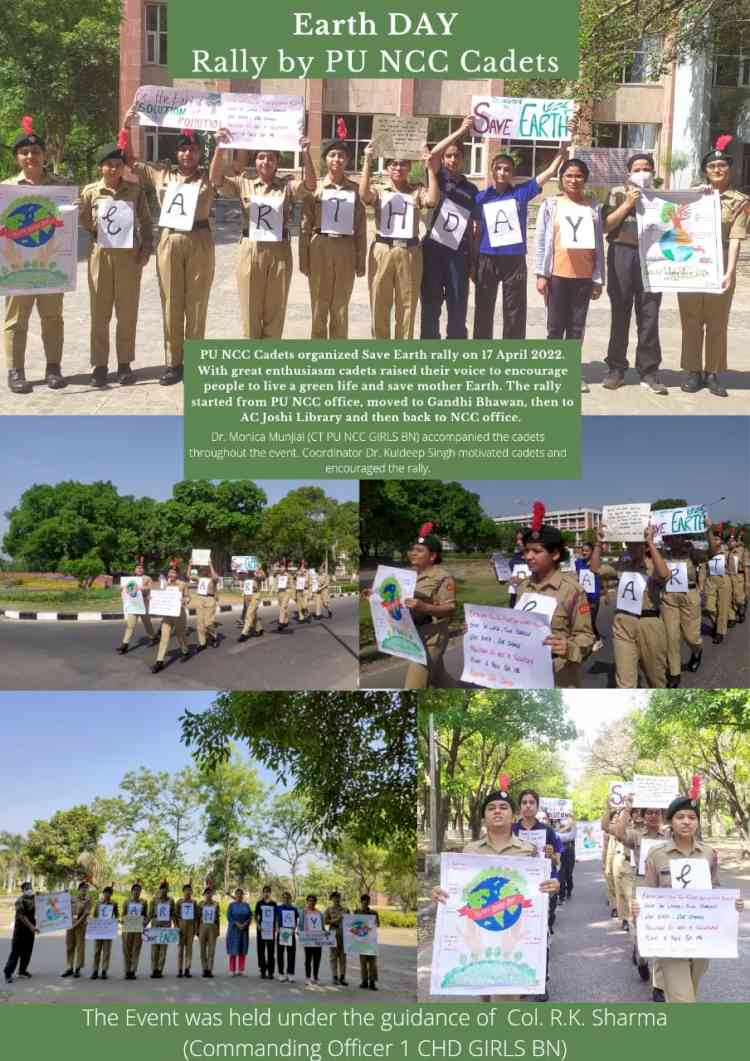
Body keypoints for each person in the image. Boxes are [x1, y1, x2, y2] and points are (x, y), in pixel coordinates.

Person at [432, 780, 560, 1003]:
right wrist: (441, 893)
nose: (497, 811)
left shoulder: (529, 851)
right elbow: (462, 892)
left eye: (503, 807)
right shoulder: (469, 851)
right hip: (481, 933)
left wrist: (552, 887)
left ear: (513, 815)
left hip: (512, 932)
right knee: (483, 993)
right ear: (484, 817)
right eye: (491, 808)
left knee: (505, 996)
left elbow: (536, 892)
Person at [631, 779, 745, 1003]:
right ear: (670, 822)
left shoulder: (709, 853)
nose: (686, 822)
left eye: (692, 817)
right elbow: (647, 892)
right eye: (680, 817)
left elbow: (715, 891)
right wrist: (638, 909)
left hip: (702, 939)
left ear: (698, 822)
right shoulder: (656, 854)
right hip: (669, 939)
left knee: (689, 992)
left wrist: (732, 906)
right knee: (685, 1001)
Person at [123, 110, 215, 385]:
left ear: (200, 153)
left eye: (193, 150)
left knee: (197, 303)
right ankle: (173, 362)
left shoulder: (207, 177)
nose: (188, 154)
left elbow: (223, 169)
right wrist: (127, 128)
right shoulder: (160, 172)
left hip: (199, 238)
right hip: (169, 239)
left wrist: (221, 142)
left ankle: (194, 360)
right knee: (171, 301)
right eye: (184, 149)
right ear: (177, 153)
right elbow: (130, 161)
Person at [210, 132, 316, 338]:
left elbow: (311, 185)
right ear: (255, 161)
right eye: (261, 157)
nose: (265, 161)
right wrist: (220, 148)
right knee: (250, 310)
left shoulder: (287, 185)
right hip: (251, 248)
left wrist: (306, 154)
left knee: (275, 312)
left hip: (279, 250)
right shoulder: (243, 183)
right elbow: (216, 180)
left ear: (277, 162)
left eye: (270, 157)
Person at [471, 144, 568, 339]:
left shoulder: (521, 192)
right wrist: (473, 263)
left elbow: (549, 172)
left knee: (514, 310)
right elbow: (476, 232)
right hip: (487, 259)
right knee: (483, 309)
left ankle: (512, 354)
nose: (502, 172)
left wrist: (562, 152)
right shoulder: (481, 197)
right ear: (492, 171)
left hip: (514, 260)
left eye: (507, 169)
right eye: (498, 168)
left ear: (512, 173)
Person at [678, 137, 749, 398]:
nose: (717, 170)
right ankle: (693, 371)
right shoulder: (692, 196)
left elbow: (737, 238)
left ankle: (714, 373)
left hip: (720, 264)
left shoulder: (740, 201)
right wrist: (691, 197)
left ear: (729, 169)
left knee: (717, 322)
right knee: (691, 320)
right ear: (705, 171)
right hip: (691, 264)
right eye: (712, 166)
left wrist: (730, 272)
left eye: (722, 165)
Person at [79, 136, 153, 387]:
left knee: (127, 313)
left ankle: (124, 364)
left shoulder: (135, 191)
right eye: (108, 164)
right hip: (101, 255)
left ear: (123, 167)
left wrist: (146, 249)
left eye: (118, 164)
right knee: (100, 314)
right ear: (101, 166)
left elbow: (146, 222)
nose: (113, 168)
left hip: (128, 257)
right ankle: (100, 365)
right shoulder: (90, 192)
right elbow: (84, 223)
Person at [3, 116, 69, 394]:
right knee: (16, 320)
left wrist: (72, 208)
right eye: (25, 152)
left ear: (44, 155)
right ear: (18, 157)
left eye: (36, 152)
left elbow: (70, 224)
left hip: (51, 263)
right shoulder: (5, 190)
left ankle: (53, 368)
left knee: (53, 318)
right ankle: (15, 371)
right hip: (18, 265)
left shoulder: (61, 187)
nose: (31, 156)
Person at [534, 158, 605, 392]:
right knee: (555, 327)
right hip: (557, 275)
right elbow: (542, 242)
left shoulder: (593, 207)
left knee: (576, 327)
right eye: (569, 176)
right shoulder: (550, 205)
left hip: (583, 277)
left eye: (578, 176)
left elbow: (598, 246)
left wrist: (598, 278)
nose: (574, 180)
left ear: (585, 179)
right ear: (561, 179)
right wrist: (541, 274)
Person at [601, 153, 667, 394]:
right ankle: (616, 369)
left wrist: (703, 193)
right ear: (628, 173)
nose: (642, 172)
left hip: (652, 257)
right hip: (622, 254)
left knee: (650, 313)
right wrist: (628, 204)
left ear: (653, 172)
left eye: (647, 168)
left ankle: (649, 371)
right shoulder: (616, 193)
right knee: (620, 312)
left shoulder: (662, 196)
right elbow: (605, 226)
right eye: (637, 168)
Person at [360, 144, 440, 339]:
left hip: (409, 251)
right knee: (379, 302)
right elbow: (363, 195)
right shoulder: (379, 190)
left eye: (403, 164)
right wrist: (367, 161)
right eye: (393, 164)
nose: (398, 168)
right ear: (387, 168)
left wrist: (429, 167)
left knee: (407, 305)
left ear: (410, 167)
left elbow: (432, 200)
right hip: (383, 248)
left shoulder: (416, 191)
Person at [513, 502, 595, 687]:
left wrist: (569, 647)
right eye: (526, 551)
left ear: (555, 554)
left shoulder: (572, 590)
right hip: (525, 673)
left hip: (559, 675)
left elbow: (586, 637)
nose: (528, 556)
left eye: (536, 551)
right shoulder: (523, 587)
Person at [299, 139, 367, 338]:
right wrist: (304, 258)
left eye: (341, 156)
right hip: (320, 247)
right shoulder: (315, 189)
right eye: (332, 155)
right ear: (325, 160)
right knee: (319, 306)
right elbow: (305, 225)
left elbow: (361, 227)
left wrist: (360, 260)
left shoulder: (355, 191)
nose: (336, 159)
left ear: (347, 161)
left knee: (341, 307)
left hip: (345, 248)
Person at [589, 522, 670, 688]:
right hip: (623, 622)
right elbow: (595, 569)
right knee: (625, 682)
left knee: (656, 677)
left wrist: (650, 543)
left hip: (649, 623)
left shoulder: (653, 565)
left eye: (637, 544)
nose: (633, 548)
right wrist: (598, 544)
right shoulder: (622, 566)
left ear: (644, 546)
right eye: (630, 545)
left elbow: (664, 574)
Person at [420, 116, 478, 339]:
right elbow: (432, 155)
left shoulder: (471, 189)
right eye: (449, 156)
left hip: (458, 256)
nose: (452, 160)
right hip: (433, 252)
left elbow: (473, 230)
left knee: (457, 308)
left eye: (457, 156)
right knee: (430, 306)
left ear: (463, 159)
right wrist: (460, 131)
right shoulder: (437, 178)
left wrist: (472, 260)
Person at [612, 800, 667, 986]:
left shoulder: (669, 834)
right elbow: (619, 834)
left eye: (657, 812)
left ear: (661, 814)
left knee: (663, 929)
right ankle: (641, 957)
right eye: (649, 812)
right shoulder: (636, 835)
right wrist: (627, 809)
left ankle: (658, 985)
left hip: (665, 887)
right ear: (643, 816)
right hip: (642, 886)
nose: (653, 815)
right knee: (641, 927)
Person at [660, 524, 718, 684]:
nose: (672, 540)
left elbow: (712, 554)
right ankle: (674, 673)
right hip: (669, 597)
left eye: (676, 536)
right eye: (669, 537)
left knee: (691, 637)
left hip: (689, 595)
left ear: (682, 537)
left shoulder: (692, 553)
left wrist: (709, 531)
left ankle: (697, 651)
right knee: (671, 637)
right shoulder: (663, 554)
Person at [402, 521, 457, 689]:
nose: (413, 554)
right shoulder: (407, 576)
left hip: (433, 636)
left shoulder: (442, 577)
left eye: (419, 551)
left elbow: (450, 608)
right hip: (415, 634)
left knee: (413, 684)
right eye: (413, 550)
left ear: (432, 556)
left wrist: (425, 607)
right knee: (439, 678)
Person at [512, 789, 562, 934]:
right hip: (519, 881)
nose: (528, 805)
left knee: (544, 917)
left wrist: (551, 854)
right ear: (520, 806)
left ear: (537, 806)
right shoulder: (512, 830)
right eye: (524, 802)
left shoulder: (547, 830)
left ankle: (544, 939)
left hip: (543, 881)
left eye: (532, 802)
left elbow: (557, 862)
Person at [151, 563, 191, 673]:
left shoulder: (182, 584)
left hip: (179, 614)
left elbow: (188, 597)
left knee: (180, 635)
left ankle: (185, 651)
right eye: (170, 572)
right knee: (164, 637)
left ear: (177, 574)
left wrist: (185, 600)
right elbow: (158, 596)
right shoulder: (164, 584)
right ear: (168, 574)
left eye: (174, 572)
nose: (172, 574)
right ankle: (159, 661)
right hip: (167, 615)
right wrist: (152, 598)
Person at [118, 559, 158, 654]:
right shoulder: (130, 579)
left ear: (143, 570)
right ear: (135, 570)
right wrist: (123, 589)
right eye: (138, 568)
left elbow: (151, 588)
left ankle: (153, 637)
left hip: (144, 605)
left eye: (141, 568)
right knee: (130, 625)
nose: (139, 569)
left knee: (147, 623)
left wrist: (142, 588)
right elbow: (125, 591)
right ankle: (125, 644)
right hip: (133, 605)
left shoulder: (147, 578)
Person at [3, 881, 39, 984]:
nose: (29, 890)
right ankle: (8, 973)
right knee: (15, 953)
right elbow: (22, 916)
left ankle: (22, 971)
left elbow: (48, 900)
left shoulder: (35, 899)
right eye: (27, 888)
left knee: (27, 952)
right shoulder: (20, 901)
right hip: (20, 931)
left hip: (30, 931)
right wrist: (31, 926)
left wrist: (63, 893)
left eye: (30, 887)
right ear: (23, 890)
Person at [703, 522, 732, 644]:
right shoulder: (709, 550)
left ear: (721, 540)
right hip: (711, 580)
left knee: (723, 607)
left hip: (723, 579)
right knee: (709, 607)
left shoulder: (725, 550)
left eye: (717, 538)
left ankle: (720, 632)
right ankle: (717, 623)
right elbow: (706, 561)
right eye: (713, 538)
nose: (715, 540)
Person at [575, 542, 604, 650]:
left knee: (591, 620)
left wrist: (605, 592)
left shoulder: (597, 564)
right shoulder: (578, 562)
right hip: (583, 597)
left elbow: (603, 578)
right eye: (582, 550)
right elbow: (578, 577)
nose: (584, 552)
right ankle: (589, 638)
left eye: (586, 550)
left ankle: (598, 639)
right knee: (584, 620)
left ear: (592, 552)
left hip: (594, 597)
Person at [61, 879, 92, 978]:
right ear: (79, 889)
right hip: (69, 925)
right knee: (69, 946)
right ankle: (70, 967)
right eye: (82, 888)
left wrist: (75, 924)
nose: (84, 890)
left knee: (80, 947)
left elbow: (84, 915)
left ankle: (78, 968)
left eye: (86, 889)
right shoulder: (72, 899)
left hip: (81, 926)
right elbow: (61, 902)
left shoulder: (88, 900)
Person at [147, 879, 176, 978]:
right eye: (162, 889)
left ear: (168, 890)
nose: (164, 890)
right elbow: (150, 914)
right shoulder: (154, 900)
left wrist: (176, 926)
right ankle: (153, 969)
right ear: (159, 890)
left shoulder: (171, 901)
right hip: (155, 926)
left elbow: (173, 914)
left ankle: (159, 970)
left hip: (166, 927)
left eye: (166, 889)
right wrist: (143, 924)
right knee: (154, 949)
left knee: (163, 949)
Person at [90, 885, 119, 980]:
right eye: (106, 892)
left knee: (106, 951)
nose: (107, 894)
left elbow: (117, 915)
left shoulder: (114, 904)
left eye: (109, 893)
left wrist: (116, 923)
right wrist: (92, 926)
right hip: (98, 930)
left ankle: (104, 971)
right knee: (96, 951)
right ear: (103, 893)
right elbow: (94, 916)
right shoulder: (98, 903)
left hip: (108, 931)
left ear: (111, 894)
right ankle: (95, 970)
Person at [194, 556, 221, 651]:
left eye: (205, 568)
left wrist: (210, 564)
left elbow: (216, 578)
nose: (203, 570)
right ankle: (202, 642)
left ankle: (214, 636)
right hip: (200, 599)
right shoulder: (199, 578)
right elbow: (188, 575)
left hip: (210, 599)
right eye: (202, 569)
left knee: (208, 622)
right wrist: (189, 564)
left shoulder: (212, 578)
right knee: (200, 623)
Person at [324, 890, 350, 986]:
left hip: (344, 933)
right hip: (333, 933)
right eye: (335, 897)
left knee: (343, 956)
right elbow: (325, 921)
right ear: (332, 899)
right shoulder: (328, 910)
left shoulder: (346, 909)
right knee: (333, 957)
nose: (337, 899)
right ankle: (334, 977)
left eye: (338, 897)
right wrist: (336, 920)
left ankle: (342, 977)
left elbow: (351, 922)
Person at [121, 880, 146, 980]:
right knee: (127, 950)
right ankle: (127, 970)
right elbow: (123, 914)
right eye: (135, 890)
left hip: (138, 928)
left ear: (140, 892)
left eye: (138, 890)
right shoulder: (126, 902)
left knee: (136, 949)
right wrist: (123, 919)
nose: (136, 892)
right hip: (128, 928)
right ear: (132, 891)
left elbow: (145, 915)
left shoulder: (143, 902)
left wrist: (145, 922)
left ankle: (133, 971)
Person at [354, 894, 380, 990]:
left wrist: (372, 923)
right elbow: (352, 925)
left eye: (368, 901)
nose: (366, 903)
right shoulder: (357, 912)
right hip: (361, 940)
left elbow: (378, 924)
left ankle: (372, 982)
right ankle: (364, 981)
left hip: (371, 940)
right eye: (364, 901)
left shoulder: (374, 913)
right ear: (361, 902)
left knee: (372, 962)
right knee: (363, 962)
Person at [299, 894, 325, 985]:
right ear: (307, 902)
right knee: (308, 959)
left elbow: (322, 926)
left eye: (313, 901)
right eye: (310, 900)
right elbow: (301, 925)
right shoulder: (304, 912)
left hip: (318, 939)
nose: (311, 902)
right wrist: (300, 933)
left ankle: (315, 977)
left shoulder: (319, 913)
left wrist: (325, 933)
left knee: (317, 959)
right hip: (308, 939)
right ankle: (308, 977)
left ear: (315, 902)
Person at [226, 888, 251, 976]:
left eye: (241, 894)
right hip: (233, 930)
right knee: (233, 949)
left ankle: (241, 970)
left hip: (244, 931)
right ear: (235, 895)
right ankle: (232, 970)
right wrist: (237, 923)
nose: (239, 895)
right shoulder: (231, 905)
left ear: (243, 895)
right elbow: (229, 916)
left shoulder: (246, 905)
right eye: (237, 894)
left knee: (242, 949)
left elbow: (250, 916)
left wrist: (245, 923)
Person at [254, 885, 277, 980]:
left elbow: (276, 917)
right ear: (262, 893)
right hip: (261, 929)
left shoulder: (273, 904)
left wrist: (275, 927)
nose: (266, 893)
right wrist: (258, 926)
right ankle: (263, 971)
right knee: (261, 950)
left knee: (271, 951)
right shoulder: (259, 903)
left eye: (268, 891)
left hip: (271, 929)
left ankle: (271, 972)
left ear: (270, 893)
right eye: (265, 891)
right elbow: (255, 916)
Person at [198, 883, 221, 978]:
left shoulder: (216, 904)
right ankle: (204, 969)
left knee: (211, 949)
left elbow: (218, 918)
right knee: (202, 949)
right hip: (202, 927)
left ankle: (210, 969)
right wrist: (197, 930)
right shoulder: (200, 904)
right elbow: (198, 917)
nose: (208, 895)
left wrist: (218, 930)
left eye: (210, 893)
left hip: (213, 927)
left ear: (212, 894)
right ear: (204, 895)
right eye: (206, 893)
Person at [238, 565, 266, 641]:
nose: (249, 569)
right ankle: (259, 629)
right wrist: (237, 568)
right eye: (248, 567)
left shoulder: (256, 575)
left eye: (251, 567)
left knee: (249, 614)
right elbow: (238, 577)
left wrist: (260, 569)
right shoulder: (246, 576)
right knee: (253, 614)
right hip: (247, 596)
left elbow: (263, 578)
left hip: (255, 595)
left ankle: (244, 633)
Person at [276, 891, 299, 983]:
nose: (286, 899)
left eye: (287, 897)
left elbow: (296, 920)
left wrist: (294, 929)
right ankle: (281, 973)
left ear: (290, 899)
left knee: (291, 954)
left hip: (290, 933)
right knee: (280, 953)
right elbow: (277, 919)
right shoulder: (278, 908)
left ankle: (290, 974)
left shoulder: (294, 909)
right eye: (284, 897)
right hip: (281, 932)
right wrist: (277, 928)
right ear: (282, 898)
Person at [177, 883, 198, 978]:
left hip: (191, 927)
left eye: (190, 890)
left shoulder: (194, 902)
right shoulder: (179, 902)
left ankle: (187, 969)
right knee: (180, 950)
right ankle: (179, 970)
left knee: (189, 949)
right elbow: (175, 915)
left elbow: (196, 916)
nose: (188, 892)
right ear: (183, 891)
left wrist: (196, 929)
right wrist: (176, 927)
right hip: (181, 927)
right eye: (186, 890)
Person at [557, 815, 576, 904]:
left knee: (568, 874)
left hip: (569, 851)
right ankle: (561, 896)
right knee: (561, 874)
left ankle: (569, 889)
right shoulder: (554, 827)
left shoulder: (571, 826)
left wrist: (572, 824)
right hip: (559, 852)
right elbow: (555, 834)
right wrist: (566, 827)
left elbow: (572, 836)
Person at [273, 560, 293, 633]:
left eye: (283, 567)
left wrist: (292, 595)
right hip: (280, 592)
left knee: (282, 607)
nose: (282, 568)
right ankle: (286, 620)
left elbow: (291, 586)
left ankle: (281, 623)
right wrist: (272, 591)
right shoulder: (278, 575)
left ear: (285, 568)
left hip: (287, 592)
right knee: (283, 607)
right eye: (280, 567)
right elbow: (275, 582)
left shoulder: (289, 575)